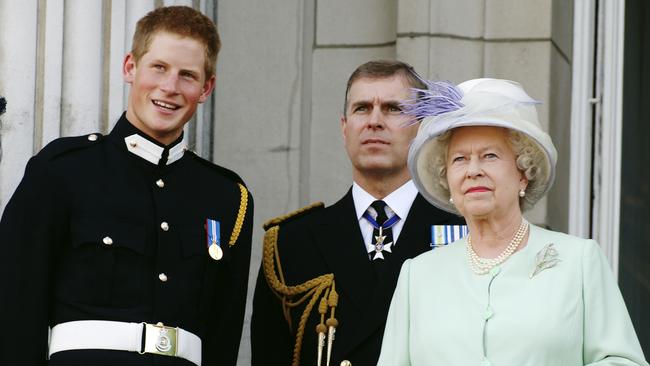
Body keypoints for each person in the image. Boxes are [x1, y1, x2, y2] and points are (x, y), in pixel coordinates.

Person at [0, 6, 253, 366]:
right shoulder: (62, 170)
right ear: (130, 67)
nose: (170, 87)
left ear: (206, 88)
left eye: (187, 75)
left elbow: (223, 336)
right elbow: (14, 308)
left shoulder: (227, 197)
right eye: (159, 67)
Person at [377, 78, 649, 365]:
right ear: (447, 179)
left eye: (489, 156)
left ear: (523, 172)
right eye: (459, 159)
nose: (473, 170)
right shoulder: (417, 275)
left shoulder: (579, 261)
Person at [250, 60, 464, 366]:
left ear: (421, 126)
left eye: (392, 108)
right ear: (344, 127)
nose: (374, 121)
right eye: (362, 108)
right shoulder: (290, 244)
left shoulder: (463, 234)